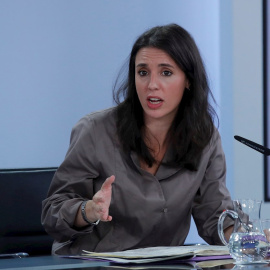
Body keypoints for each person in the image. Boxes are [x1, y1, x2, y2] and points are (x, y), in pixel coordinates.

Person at [41, 23, 233, 255]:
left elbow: (215, 217)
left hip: (163, 265)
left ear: (188, 80)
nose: (152, 85)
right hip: (93, 263)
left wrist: (251, 238)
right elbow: (52, 211)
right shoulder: (95, 130)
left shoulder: (205, 139)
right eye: (143, 72)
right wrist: (88, 210)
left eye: (166, 73)